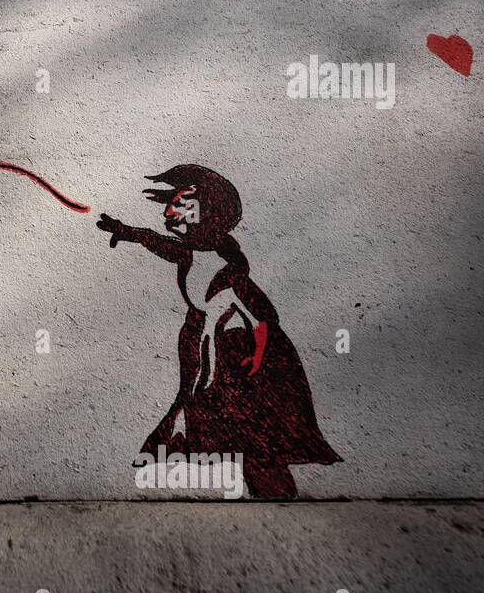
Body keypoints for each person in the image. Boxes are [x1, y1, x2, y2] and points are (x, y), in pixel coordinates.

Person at [96, 165, 341, 498]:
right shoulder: (188, 255)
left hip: (239, 355)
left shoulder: (229, 271)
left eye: (183, 204)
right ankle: (195, 447)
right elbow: (157, 242)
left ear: (208, 213)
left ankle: (271, 489)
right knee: (213, 416)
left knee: (253, 435)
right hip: (208, 346)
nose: (171, 212)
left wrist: (255, 356)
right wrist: (126, 231)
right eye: (174, 203)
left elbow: (264, 317)